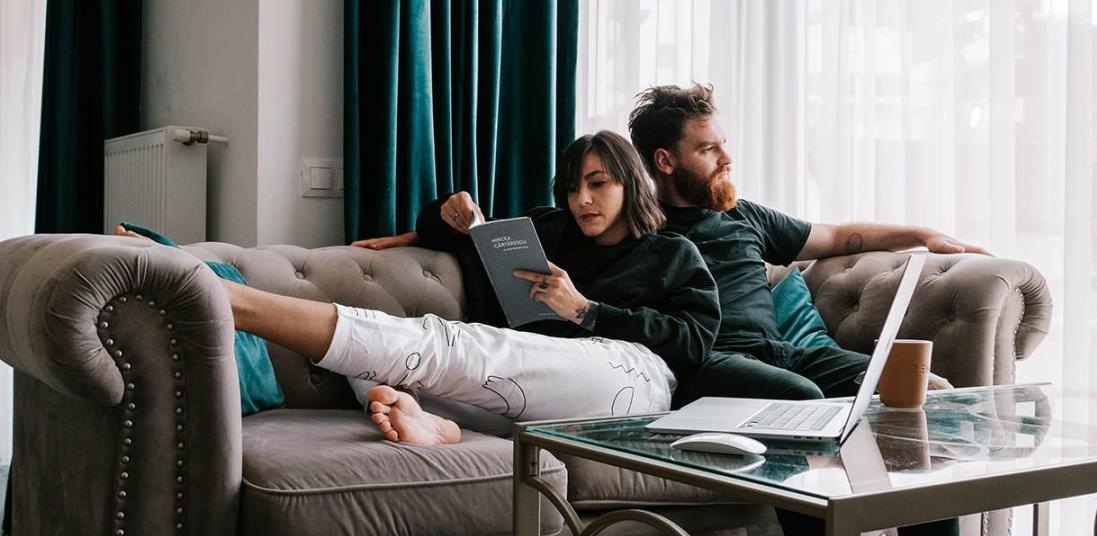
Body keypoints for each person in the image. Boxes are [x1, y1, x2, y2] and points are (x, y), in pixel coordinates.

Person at [627, 84, 1010, 536]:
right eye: (709, 148)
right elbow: (523, 241)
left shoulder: (742, 214)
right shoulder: (634, 230)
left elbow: (840, 237)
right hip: (711, 367)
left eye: (723, 142)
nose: (726, 157)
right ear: (665, 161)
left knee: (923, 394)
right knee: (802, 410)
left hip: (785, 352)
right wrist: (442, 223)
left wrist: (922, 235)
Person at [124, 130, 719, 444]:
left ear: (630, 183)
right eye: (572, 187)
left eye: (598, 184)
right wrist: (455, 213)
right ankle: (438, 424)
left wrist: (586, 311)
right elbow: (456, 232)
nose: (582, 200)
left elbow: (692, 343)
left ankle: (227, 298)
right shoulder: (550, 231)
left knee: (447, 345)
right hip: (537, 391)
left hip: (632, 379)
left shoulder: (672, 253)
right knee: (382, 368)